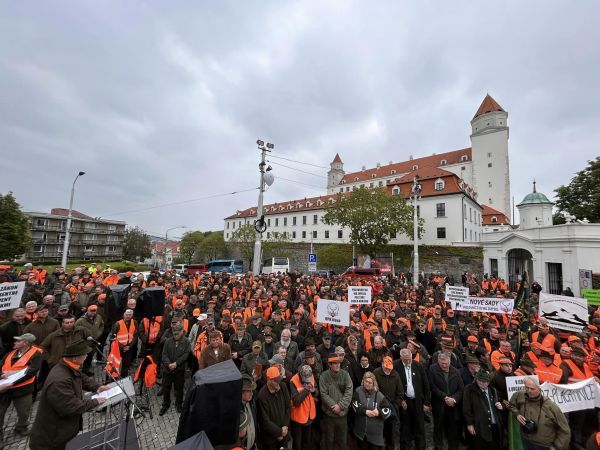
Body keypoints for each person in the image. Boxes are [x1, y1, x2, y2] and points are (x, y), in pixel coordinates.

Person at [29, 339, 110, 450]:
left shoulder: (68, 366)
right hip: (51, 439)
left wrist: (97, 387)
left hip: (60, 433)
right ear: (75, 358)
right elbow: (70, 406)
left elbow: (81, 377)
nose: (87, 356)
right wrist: (95, 402)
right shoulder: (60, 380)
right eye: (84, 354)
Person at [0, 333, 43, 443]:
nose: (15, 342)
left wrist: (12, 382)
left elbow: (31, 372)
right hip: (4, 389)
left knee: (24, 412)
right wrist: (1, 375)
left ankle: (21, 427)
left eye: (18, 341)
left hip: (22, 389)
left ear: (25, 343)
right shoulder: (10, 353)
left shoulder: (36, 354)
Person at [508, 376, 570, 450]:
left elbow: (565, 429)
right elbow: (510, 405)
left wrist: (556, 446)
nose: (529, 391)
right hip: (526, 440)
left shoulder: (550, 406)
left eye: (532, 389)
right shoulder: (520, 395)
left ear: (539, 389)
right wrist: (517, 414)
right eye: (527, 387)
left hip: (544, 446)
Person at [429, 352, 464, 450]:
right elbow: (432, 386)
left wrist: (454, 399)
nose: (444, 365)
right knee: (438, 426)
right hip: (439, 403)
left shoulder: (456, 372)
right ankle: (438, 446)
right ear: (438, 361)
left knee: (452, 427)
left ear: (450, 361)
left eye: (446, 363)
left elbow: (461, 389)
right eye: (442, 363)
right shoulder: (432, 369)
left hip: (453, 404)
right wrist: (444, 397)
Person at [396, 348, 430, 450]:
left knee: (419, 427)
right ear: (401, 357)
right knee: (405, 428)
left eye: (409, 359)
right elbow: (395, 386)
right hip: (405, 402)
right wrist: (400, 400)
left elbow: (426, 385)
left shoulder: (418, 365)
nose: (407, 361)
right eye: (405, 359)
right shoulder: (396, 366)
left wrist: (426, 403)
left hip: (418, 402)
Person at [462, 370, 504, 450]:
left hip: (494, 425)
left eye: (486, 382)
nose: (483, 383)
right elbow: (466, 408)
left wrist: (501, 405)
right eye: (481, 381)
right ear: (477, 380)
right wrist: (469, 423)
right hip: (479, 426)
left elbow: (502, 402)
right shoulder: (470, 389)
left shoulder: (493, 390)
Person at [319, 354, 354, 450]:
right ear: (329, 365)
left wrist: (341, 406)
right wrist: (334, 406)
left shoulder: (345, 375)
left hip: (342, 415)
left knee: (342, 440)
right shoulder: (324, 376)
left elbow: (349, 391)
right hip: (329, 415)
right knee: (329, 440)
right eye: (334, 363)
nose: (337, 365)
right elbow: (323, 394)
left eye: (338, 363)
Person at [351, 371, 392, 450]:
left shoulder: (379, 395)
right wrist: (365, 411)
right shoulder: (358, 391)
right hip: (361, 433)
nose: (367, 384)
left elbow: (388, 410)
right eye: (366, 381)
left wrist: (378, 412)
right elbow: (354, 404)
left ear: (374, 383)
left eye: (370, 382)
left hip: (375, 436)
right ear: (363, 381)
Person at [256, 366, 291, 450]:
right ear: (268, 379)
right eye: (275, 381)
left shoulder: (283, 386)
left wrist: (285, 427)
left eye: (279, 379)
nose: (278, 383)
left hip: (284, 433)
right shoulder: (262, 396)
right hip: (269, 439)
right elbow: (265, 421)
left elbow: (288, 407)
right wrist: (279, 432)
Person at [159, 324, 191, 416]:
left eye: (177, 333)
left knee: (179, 388)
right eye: (174, 333)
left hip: (179, 370)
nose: (175, 335)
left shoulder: (186, 342)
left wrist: (176, 363)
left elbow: (186, 355)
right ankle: (165, 404)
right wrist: (169, 364)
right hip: (167, 370)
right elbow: (164, 354)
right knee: (166, 388)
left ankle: (179, 404)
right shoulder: (168, 341)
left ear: (182, 332)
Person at [373, 355, 403, 450]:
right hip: (379, 409)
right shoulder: (376, 373)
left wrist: (396, 404)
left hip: (391, 409)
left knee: (391, 434)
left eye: (390, 368)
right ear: (382, 364)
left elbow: (400, 392)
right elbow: (373, 391)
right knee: (379, 434)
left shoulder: (396, 374)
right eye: (386, 367)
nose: (388, 369)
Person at [289, 364, 319, 450]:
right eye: (305, 379)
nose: (307, 381)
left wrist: (313, 391)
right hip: (298, 419)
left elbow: (317, 393)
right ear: (300, 374)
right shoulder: (293, 381)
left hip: (309, 417)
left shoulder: (311, 376)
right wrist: (306, 389)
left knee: (307, 443)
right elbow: (296, 402)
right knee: (297, 445)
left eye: (308, 379)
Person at [110, 309, 138, 377]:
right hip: (118, 348)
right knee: (115, 364)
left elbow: (135, 335)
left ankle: (124, 377)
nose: (128, 316)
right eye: (127, 314)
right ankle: (113, 377)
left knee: (126, 364)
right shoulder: (118, 324)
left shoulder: (134, 322)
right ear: (124, 314)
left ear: (132, 315)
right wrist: (123, 347)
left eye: (130, 315)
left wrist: (130, 346)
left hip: (128, 347)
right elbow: (113, 338)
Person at [241, 373, 259, 450]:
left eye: (252, 390)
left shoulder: (251, 402)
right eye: (249, 391)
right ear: (241, 392)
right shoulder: (237, 410)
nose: (252, 393)